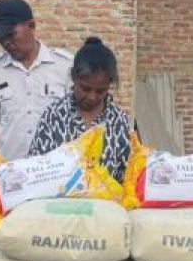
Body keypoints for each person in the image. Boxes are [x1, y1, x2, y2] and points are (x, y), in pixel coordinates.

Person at [0, 0, 73, 162]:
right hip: (12, 178)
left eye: (11, 34)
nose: (6, 42)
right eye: (0, 37)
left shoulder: (65, 66)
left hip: (56, 175)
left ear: (31, 25)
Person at [27, 36, 133, 182]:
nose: (92, 97)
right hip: (57, 204)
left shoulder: (119, 121)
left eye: (100, 91)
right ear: (73, 78)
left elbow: (129, 176)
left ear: (109, 86)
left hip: (106, 204)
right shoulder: (54, 116)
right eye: (85, 88)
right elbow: (35, 169)